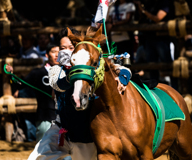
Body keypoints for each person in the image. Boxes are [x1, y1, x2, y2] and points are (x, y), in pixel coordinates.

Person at [28, 26, 132, 160]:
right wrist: (74, 73)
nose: (66, 51)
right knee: (35, 158)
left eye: (70, 48)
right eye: (62, 48)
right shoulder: (55, 70)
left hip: (85, 135)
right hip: (60, 130)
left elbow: (122, 69)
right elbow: (58, 85)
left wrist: (123, 78)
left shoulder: (94, 68)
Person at [6, 43, 59, 142]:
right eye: (53, 52)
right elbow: (20, 84)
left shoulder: (67, 73)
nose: (57, 55)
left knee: (65, 154)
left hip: (64, 119)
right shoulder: (38, 73)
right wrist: (12, 75)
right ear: (47, 55)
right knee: (43, 153)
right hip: (45, 118)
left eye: (59, 52)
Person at [134, 0, 174, 81]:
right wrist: (139, 8)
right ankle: (154, 88)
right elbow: (140, 18)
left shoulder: (164, 2)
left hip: (162, 39)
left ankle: (174, 88)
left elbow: (158, 18)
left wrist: (144, 11)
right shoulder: (148, 3)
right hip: (149, 38)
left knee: (168, 65)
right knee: (152, 66)